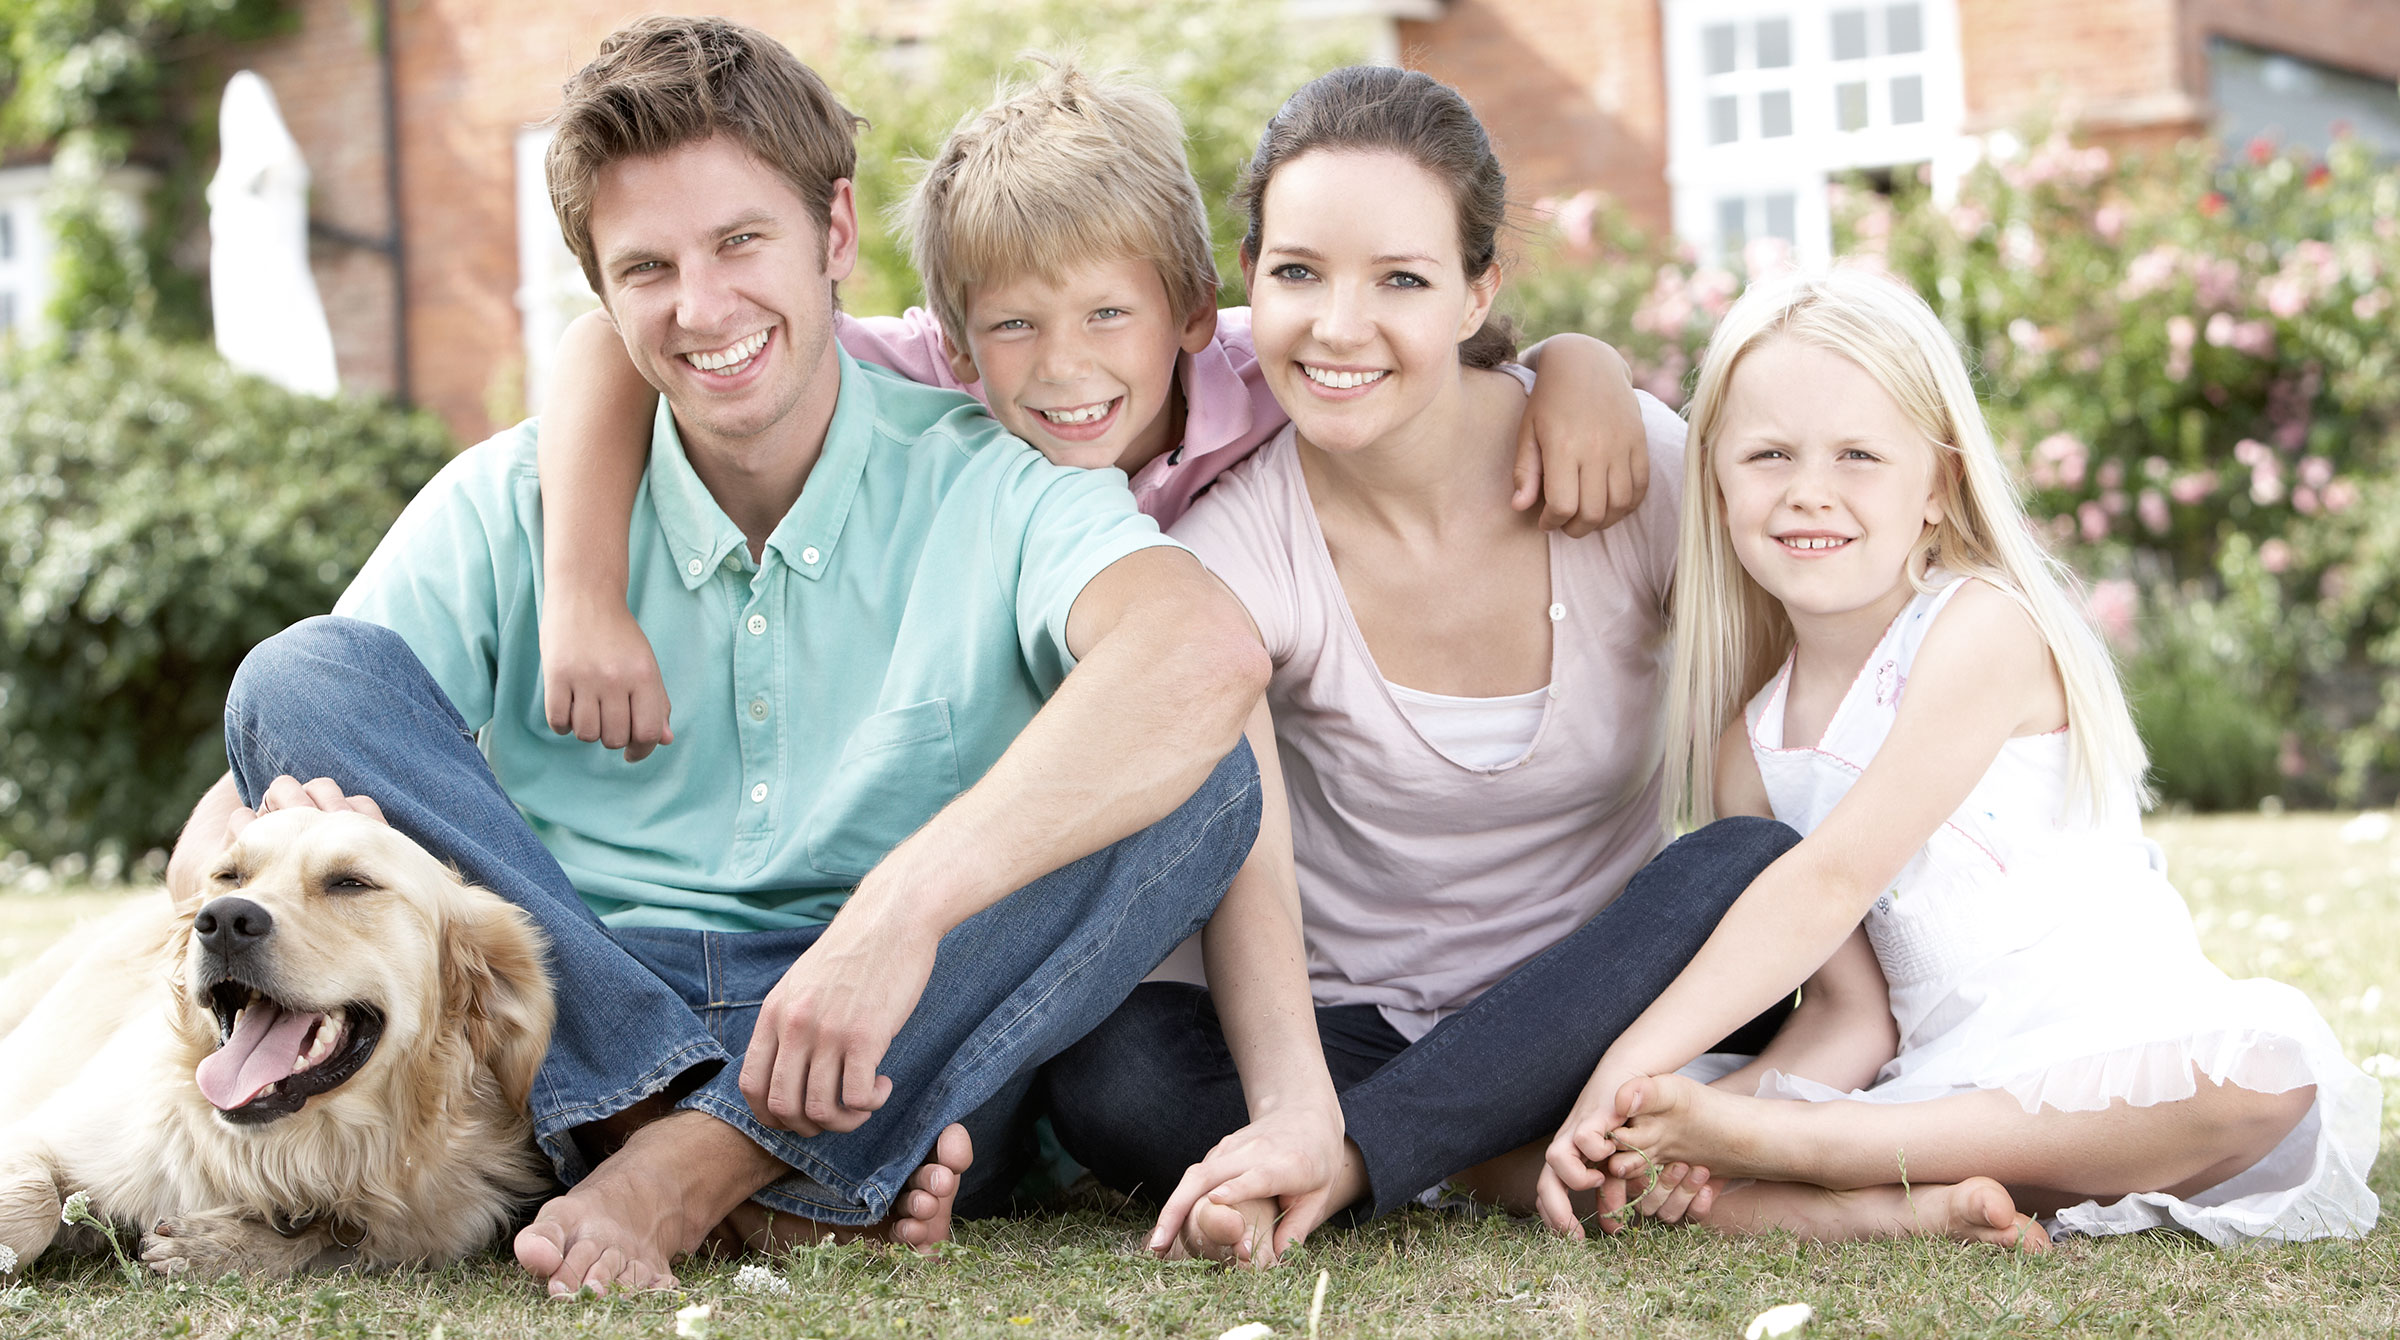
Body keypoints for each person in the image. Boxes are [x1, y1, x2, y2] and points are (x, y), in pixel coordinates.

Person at [164, 16, 1278, 1296]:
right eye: (647, 267)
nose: (702, 308)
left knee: (1205, 777)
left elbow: (1202, 649)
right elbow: (267, 764)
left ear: (836, 236)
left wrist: (895, 915)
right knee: (298, 674)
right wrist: (237, 841)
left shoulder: (988, 482)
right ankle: (699, 1137)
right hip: (587, 986)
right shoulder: (513, 501)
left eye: (741, 241)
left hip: (873, 1021)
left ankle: (686, 1163)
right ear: (601, 289)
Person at [1036, 65, 1807, 1266]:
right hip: (1356, 1022)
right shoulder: (1229, 545)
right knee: (1113, 1074)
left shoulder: (1623, 465)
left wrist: (1583, 360)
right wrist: (1292, 1101)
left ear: (1476, 289)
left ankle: (1374, 1162)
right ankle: (1500, 1151)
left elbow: (1774, 724)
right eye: (1298, 273)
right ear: (1249, 281)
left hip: (1595, 1002)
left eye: (1400, 278)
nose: (1341, 327)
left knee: (1756, 863)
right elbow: (1255, 867)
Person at [1535, 266, 2381, 1248]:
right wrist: (1662, 1120)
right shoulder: (1753, 746)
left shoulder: (1982, 629)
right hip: (1937, 1084)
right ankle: (1894, 1204)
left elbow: (1832, 877)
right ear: (1715, 479)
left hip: (2107, 1056)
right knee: (1553, 1165)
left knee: (2264, 1078)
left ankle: (1820, 1155)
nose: (1811, 490)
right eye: (1768, 454)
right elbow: (1856, 1018)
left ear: (1937, 484)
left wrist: (1631, 1073)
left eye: (1859, 454)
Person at [530, 57, 1653, 763]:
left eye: (1109, 315)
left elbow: (1431, 344)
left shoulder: (1270, 367)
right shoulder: (936, 374)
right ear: (962, 343)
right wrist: (581, 598)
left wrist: (1579, 366)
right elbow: (608, 344)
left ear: (1188, 309)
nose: (1065, 371)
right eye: (1016, 327)